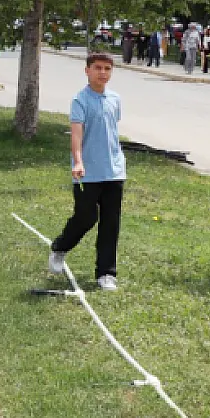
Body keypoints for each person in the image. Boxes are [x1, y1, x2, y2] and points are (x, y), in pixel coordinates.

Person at [48, 53, 125, 291]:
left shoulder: (115, 99)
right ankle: (60, 248)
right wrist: (78, 162)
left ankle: (106, 273)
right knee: (86, 217)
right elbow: (77, 134)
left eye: (107, 69)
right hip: (87, 172)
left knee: (110, 223)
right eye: (98, 68)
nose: (103, 73)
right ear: (87, 71)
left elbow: (111, 131)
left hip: (114, 171)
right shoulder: (80, 100)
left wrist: (117, 160)